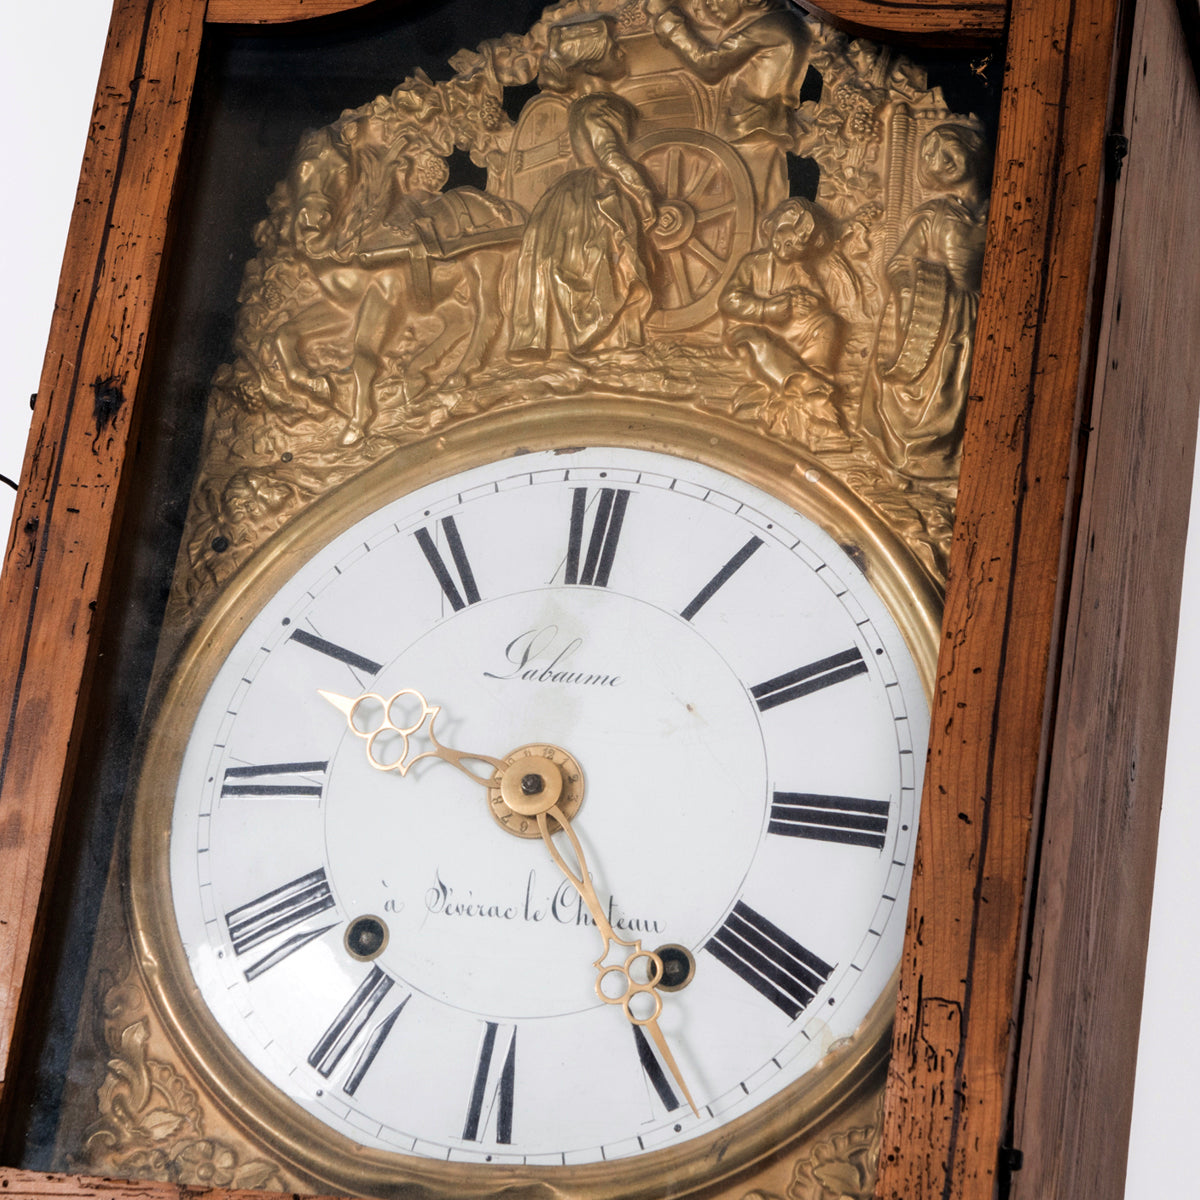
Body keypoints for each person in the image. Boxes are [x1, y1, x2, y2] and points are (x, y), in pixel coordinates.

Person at [510, 20, 662, 358]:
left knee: (551, 258)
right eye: (615, 50)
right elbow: (609, 156)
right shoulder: (599, 108)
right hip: (597, 193)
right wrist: (644, 192)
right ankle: (607, 334)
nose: (622, 55)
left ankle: (537, 338)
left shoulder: (580, 107)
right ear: (596, 60)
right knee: (605, 259)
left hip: (568, 193)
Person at [859, 123, 989, 480]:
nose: (941, 160)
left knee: (966, 385)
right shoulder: (934, 215)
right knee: (937, 386)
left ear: (972, 147)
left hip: (981, 317)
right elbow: (899, 264)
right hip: (938, 314)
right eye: (930, 155)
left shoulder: (998, 209)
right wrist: (908, 294)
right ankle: (921, 455)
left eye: (948, 148)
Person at [646, 0, 811, 210]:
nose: (708, 5)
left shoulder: (772, 26)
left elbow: (710, 64)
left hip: (750, 130)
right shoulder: (788, 22)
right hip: (762, 127)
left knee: (751, 206)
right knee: (760, 204)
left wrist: (668, 21)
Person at [720, 197, 857, 442]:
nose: (783, 250)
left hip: (790, 330)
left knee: (827, 324)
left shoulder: (801, 268)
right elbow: (729, 300)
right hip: (750, 328)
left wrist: (808, 303)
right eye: (779, 241)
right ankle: (805, 386)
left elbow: (818, 299)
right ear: (771, 233)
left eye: (791, 245)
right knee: (760, 342)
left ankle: (817, 373)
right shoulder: (754, 264)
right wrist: (765, 308)